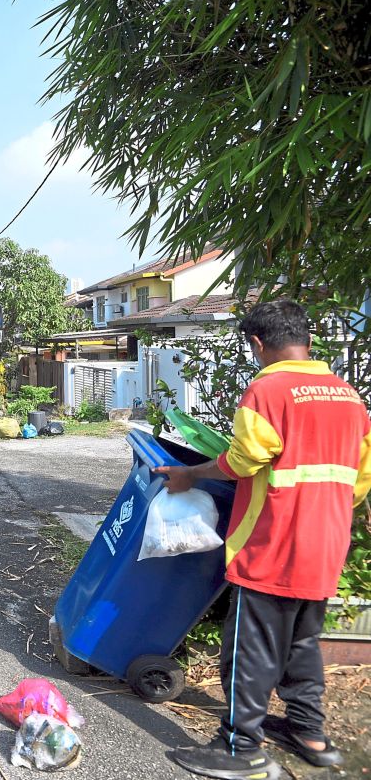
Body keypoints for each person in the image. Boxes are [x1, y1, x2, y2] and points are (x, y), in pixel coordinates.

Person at [155, 299, 370, 780]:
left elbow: (243, 460)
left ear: (257, 344)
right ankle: (310, 734)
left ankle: (241, 749)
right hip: (326, 546)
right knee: (302, 643)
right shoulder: (348, 395)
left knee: (248, 651)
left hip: (272, 544)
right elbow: (360, 479)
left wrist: (191, 475)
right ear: (308, 340)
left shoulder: (268, 390)